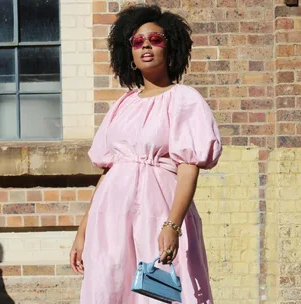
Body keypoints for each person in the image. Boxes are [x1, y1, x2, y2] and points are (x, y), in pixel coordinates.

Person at [70, 4, 222, 303]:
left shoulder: (184, 99)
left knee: (159, 289)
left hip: (158, 210)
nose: (146, 47)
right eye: (137, 42)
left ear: (172, 47)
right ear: (129, 53)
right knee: (110, 284)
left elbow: (189, 166)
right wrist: (82, 231)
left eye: (156, 39)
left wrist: (173, 224)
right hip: (111, 214)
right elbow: (108, 171)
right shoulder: (123, 105)